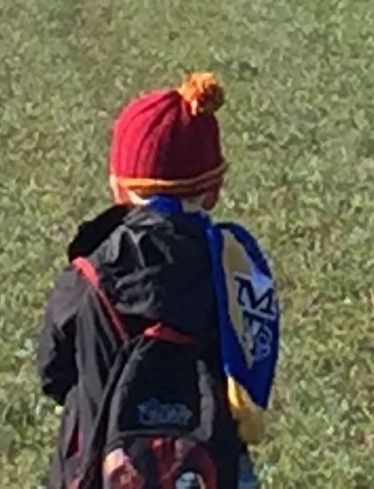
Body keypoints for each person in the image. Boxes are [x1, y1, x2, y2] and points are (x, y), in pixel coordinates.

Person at [37, 73, 277, 489]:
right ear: (214, 190)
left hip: (99, 467)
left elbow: (52, 371)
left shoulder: (88, 275)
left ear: (119, 187)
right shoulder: (235, 265)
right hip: (208, 469)